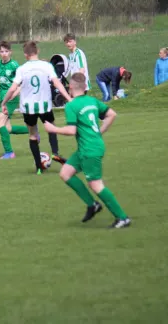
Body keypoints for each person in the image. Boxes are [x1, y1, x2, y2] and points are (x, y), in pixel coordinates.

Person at [44, 73, 131, 228]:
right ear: (85, 87)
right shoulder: (92, 101)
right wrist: (99, 132)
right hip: (91, 146)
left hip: (89, 149)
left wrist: (53, 128)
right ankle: (92, 205)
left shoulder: (71, 106)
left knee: (95, 184)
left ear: (70, 87)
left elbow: (71, 130)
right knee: (65, 173)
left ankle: (122, 217)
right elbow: (112, 114)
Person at [1, 41, 72, 174]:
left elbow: (12, 88)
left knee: (33, 135)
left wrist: (4, 102)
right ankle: (55, 152)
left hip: (28, 108)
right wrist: (68, 98)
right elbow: (57, 83)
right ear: (37, 51)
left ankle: (39, 167)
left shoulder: (21, 69)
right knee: (52, 128)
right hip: (44, 105)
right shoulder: (47, 66)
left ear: (25, 55)